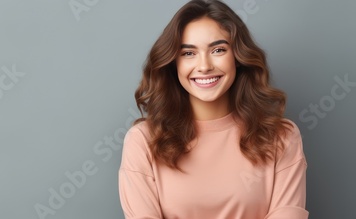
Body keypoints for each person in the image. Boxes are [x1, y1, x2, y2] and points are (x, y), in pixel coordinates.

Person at [118, 0, 308, 218]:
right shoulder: (143, 141)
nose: (204, 66)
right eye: (189, 53)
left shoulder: (281, 137)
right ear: (174, 63)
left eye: (218, 50)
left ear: (237, 57)